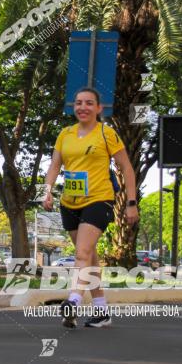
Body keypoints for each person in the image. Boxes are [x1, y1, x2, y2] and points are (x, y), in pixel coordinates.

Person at [42, 87, 139, 329]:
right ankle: (102, 311)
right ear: (73, 107)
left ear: (98, 108)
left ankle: (73, 300)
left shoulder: (107, 134)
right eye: (78, 103)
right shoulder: (65, 134)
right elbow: (54, 166)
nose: (82, 107)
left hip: (99, 199)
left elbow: (127, 168)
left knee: (82, 254)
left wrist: (131, 202)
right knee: (90, 257)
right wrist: (45, 192)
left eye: (88, 103)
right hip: (69, 203)